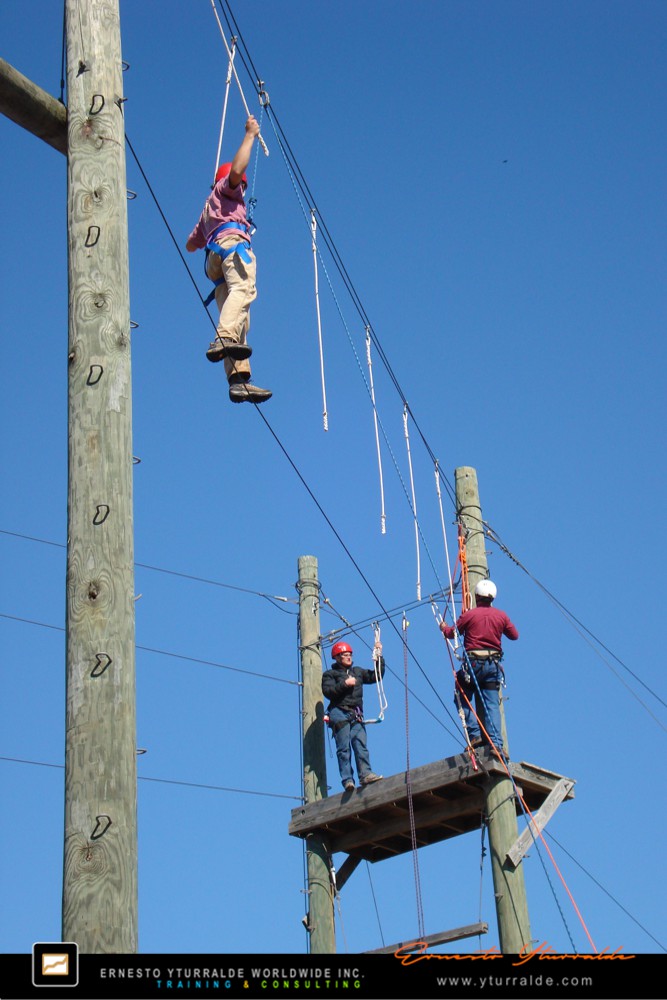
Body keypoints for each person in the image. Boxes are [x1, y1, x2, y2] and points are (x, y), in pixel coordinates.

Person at [186, 115, 271, 405]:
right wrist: (249, 135)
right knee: (245, 290)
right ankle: (223, 337)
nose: (242, 191)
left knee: (239, 318)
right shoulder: (226, 189)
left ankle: (238, 379)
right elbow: (237, 170)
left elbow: (191, 244)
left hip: (214, 262)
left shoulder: (208, 209)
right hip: (232, 248)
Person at [440, 579, 519, 755]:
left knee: (461, 695)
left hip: (474, 664)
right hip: (492, 666)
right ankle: (497, 745)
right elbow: (514, 635)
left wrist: (443, 627)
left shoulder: (470, 615)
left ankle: (475, 734)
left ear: (476, 596)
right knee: (492, 705)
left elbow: (452, 633)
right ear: (492, 598)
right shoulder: (501, 616)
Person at [322, 640, 384, 791]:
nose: (349, 657)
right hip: (339, 711)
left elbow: (376, 676)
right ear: (337, 657)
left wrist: (379, 658)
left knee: (360, 744)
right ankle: (348, 780)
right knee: (343, 748)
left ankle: (365, 774)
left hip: (355, 713)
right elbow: (328, 692)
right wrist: (344, 684)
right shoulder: (330, 675)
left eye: (350, 654)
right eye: (345, 655)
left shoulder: (358, 672)